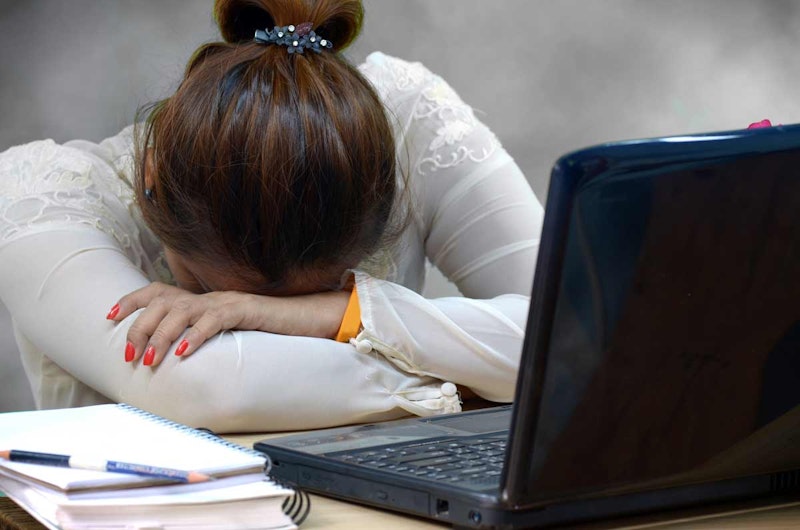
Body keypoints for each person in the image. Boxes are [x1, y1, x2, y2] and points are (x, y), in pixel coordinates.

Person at [0, 0, 544, 432]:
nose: (253, 314)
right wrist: (477, 375)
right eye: (217, 295)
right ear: (151, 175)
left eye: (317, 289)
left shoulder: (404, 118)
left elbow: (591, 331)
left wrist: (333, 314)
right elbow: (210, 389)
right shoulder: (42, 197)